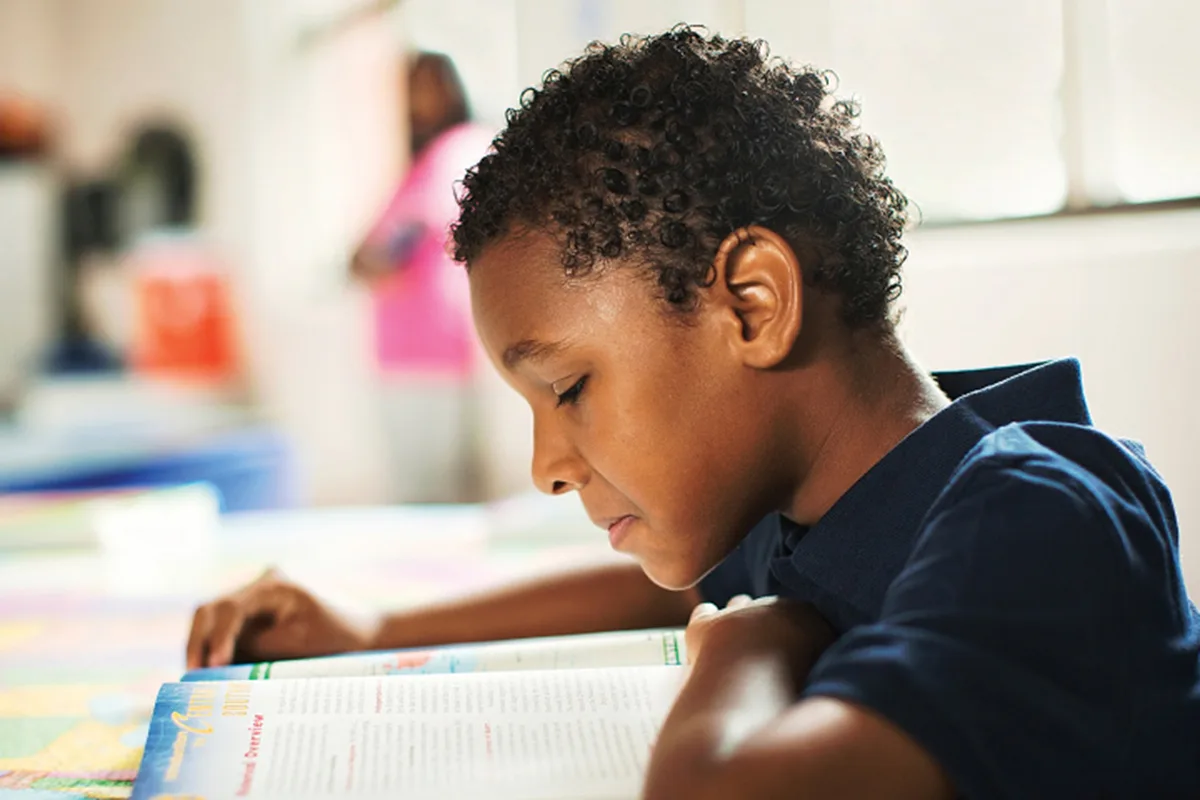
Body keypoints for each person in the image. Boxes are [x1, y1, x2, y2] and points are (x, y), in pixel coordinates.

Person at [188, 29, 1200, 797]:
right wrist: (375, 623)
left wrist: (748, 649)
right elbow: (663, 590)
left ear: (753, 304)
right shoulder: (827, 509)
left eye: (570, 389)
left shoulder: (1043, 513)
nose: (546, 463)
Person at [352, 51, 494, 502]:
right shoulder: (413, 166)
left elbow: (392, 249)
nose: (417, 96)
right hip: (398, 356)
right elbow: (358, 258)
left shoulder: (460, 147)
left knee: (441, 498)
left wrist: (374, 260)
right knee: (417, 493)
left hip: (436, 350)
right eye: (410, 84)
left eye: (428, 82)